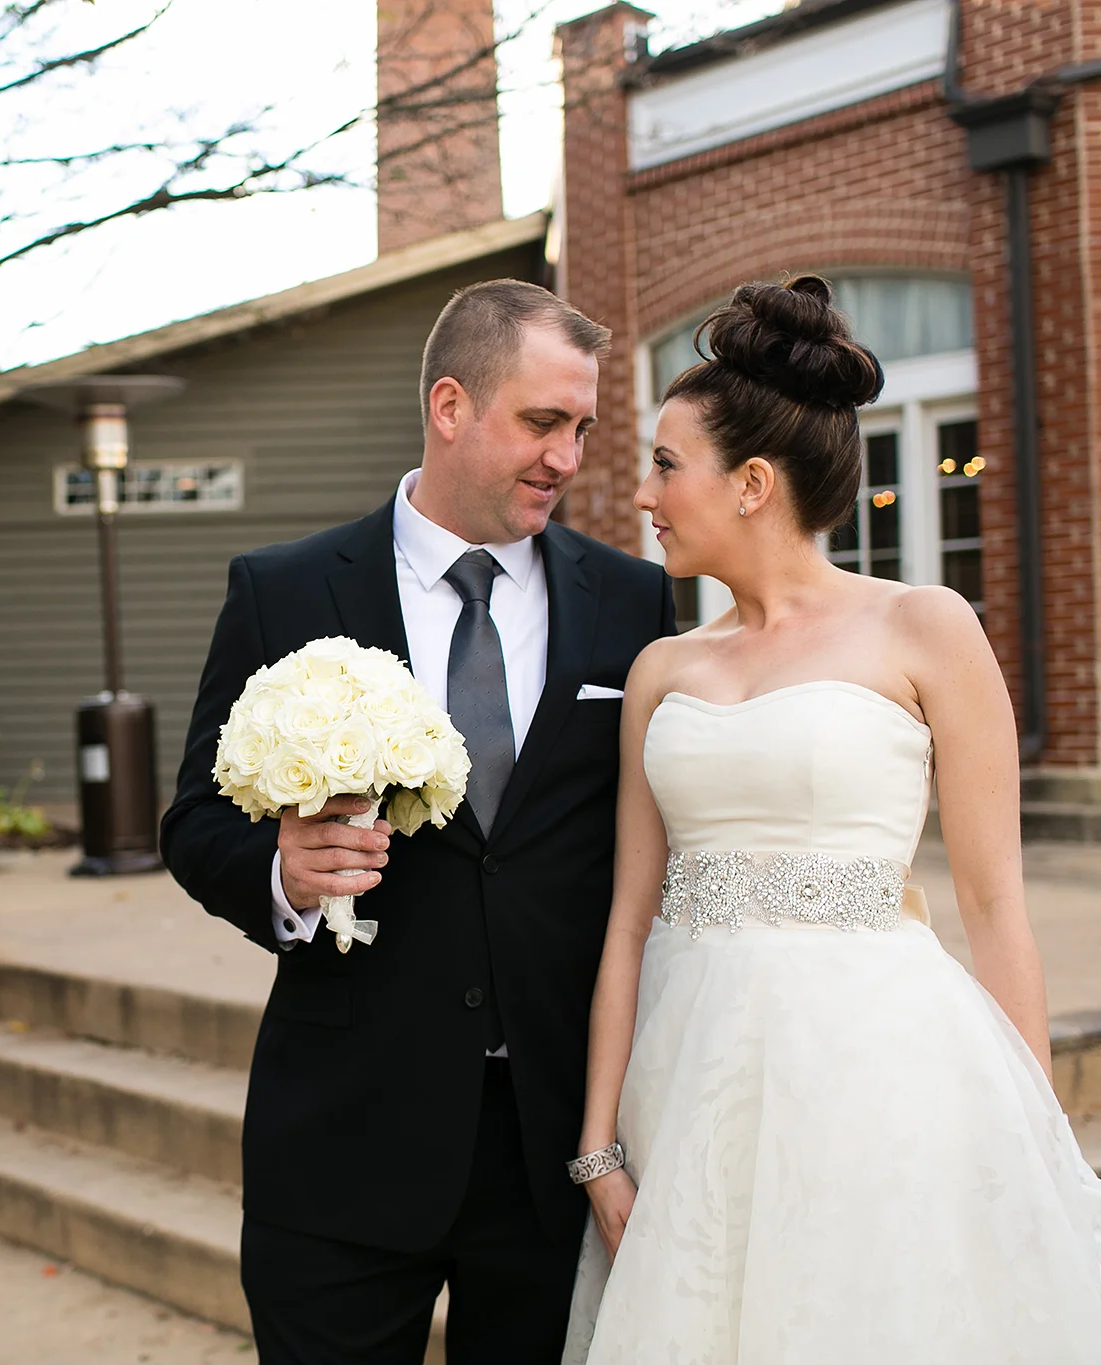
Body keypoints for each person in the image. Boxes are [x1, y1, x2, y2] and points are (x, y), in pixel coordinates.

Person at [561, 275, 1101, 1363]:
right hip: (688, 1084)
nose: (643, 493)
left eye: (664, 464)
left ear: (749, 484)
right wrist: (599, 1146)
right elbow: (629, 921)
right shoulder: (660, 670)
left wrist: (1033, 1133)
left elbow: (994, 906)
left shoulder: (925, 628)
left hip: (877, 1068)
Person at [161, 278, 677, 1365]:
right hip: (343, 1140)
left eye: (581, 429)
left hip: (551, 1148)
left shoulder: (632, 601)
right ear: (450, 406)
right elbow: (195, 822)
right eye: (542, 421)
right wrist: (284, 873)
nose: (567, 457)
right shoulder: (286, 589)